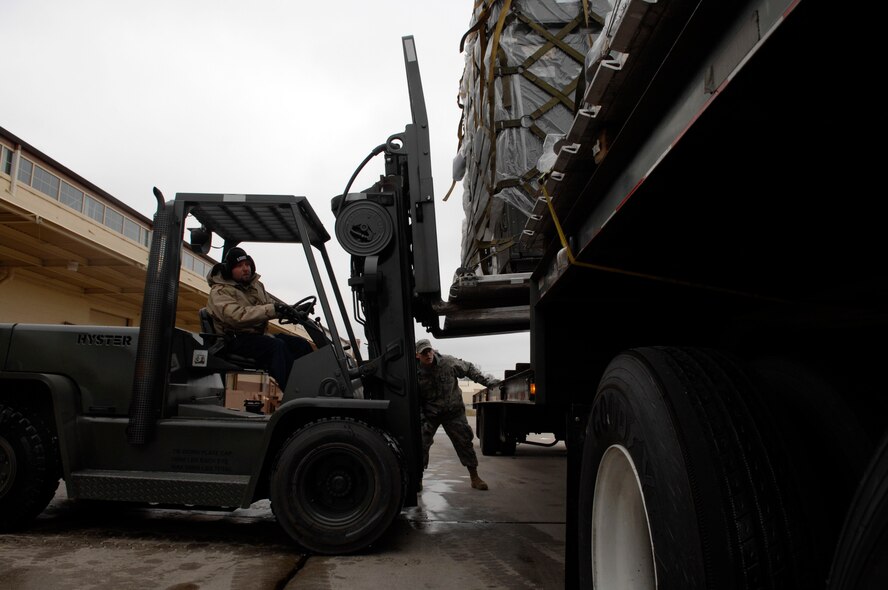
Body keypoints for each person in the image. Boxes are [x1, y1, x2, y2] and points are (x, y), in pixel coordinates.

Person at [206, 247, 313, 389]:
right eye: (239, 266)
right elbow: (237, 316)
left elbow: (270, 305)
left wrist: (293, 309)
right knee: (276, 347)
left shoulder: (255, 286)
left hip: (257, 337)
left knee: (301, 345)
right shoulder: (220, 292)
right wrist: (273, 309)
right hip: (234, 339)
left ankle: (308, 387)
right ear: (229, 270)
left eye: (247, 264)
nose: (245, 269)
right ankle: (286, 393)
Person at [415, 338, 499, 491]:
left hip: (453, 412)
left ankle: (474, 477)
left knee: (464, 441)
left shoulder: (448, 363)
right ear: (417, 356)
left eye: (429, 351)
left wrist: (488, 382)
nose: (428, 355)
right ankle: (418, 479)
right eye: (424, 353)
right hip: (430, 414)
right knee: (420, 444)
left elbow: (469, 368)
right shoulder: (414, 372)